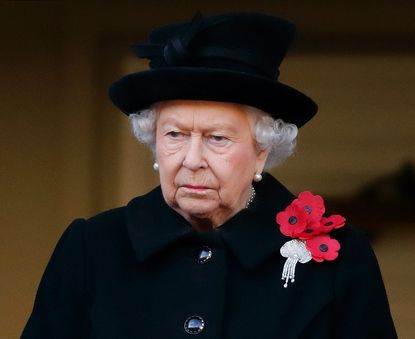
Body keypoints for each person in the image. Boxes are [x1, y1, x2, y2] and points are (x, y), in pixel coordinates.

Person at [21, 12, 397, 339]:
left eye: (217, 138)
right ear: (153, 143)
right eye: (175, 135)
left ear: (261, 151)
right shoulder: (92, 248)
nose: (191, 159)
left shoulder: (339, 260)